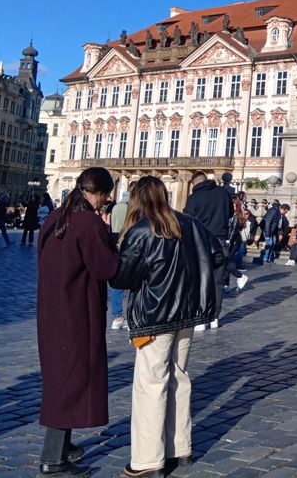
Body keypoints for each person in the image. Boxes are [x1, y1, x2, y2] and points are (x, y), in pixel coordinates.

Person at [112, 176, 225, 478]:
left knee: (151, 384)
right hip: (186, 315)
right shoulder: (190, 224)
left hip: (154, 316)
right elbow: (218, 254)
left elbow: (121, 278)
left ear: (137, 199)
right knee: (178, 377)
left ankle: (148, 460)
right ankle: (180, 448)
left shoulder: (141, 230)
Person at [36, 168, 119, 477]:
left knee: (61, 378)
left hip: (52, 311)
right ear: (97, 193)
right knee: (69, 383)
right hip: (77, 313)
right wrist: (109, 239)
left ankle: (63, 446)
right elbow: (106, 269)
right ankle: (52, 460)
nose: (105, 203)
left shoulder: (56, 217)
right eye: (105, 197)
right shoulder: (87, 224)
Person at [183, 171, 233, 330]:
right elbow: (230, 213)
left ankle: (201, 317)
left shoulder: (193, 198)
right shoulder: (223, 193)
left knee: (200, 280)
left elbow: (187, 221)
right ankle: (214, 317)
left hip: (201, 242)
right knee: (218, 280)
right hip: (221, 240)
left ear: (195, 183)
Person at [109, 190, 131, 330]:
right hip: (126, 241)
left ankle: (117, 316)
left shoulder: (116, 206)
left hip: (114, 240)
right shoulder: (130, 209)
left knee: (116, 280)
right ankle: (132, 317)